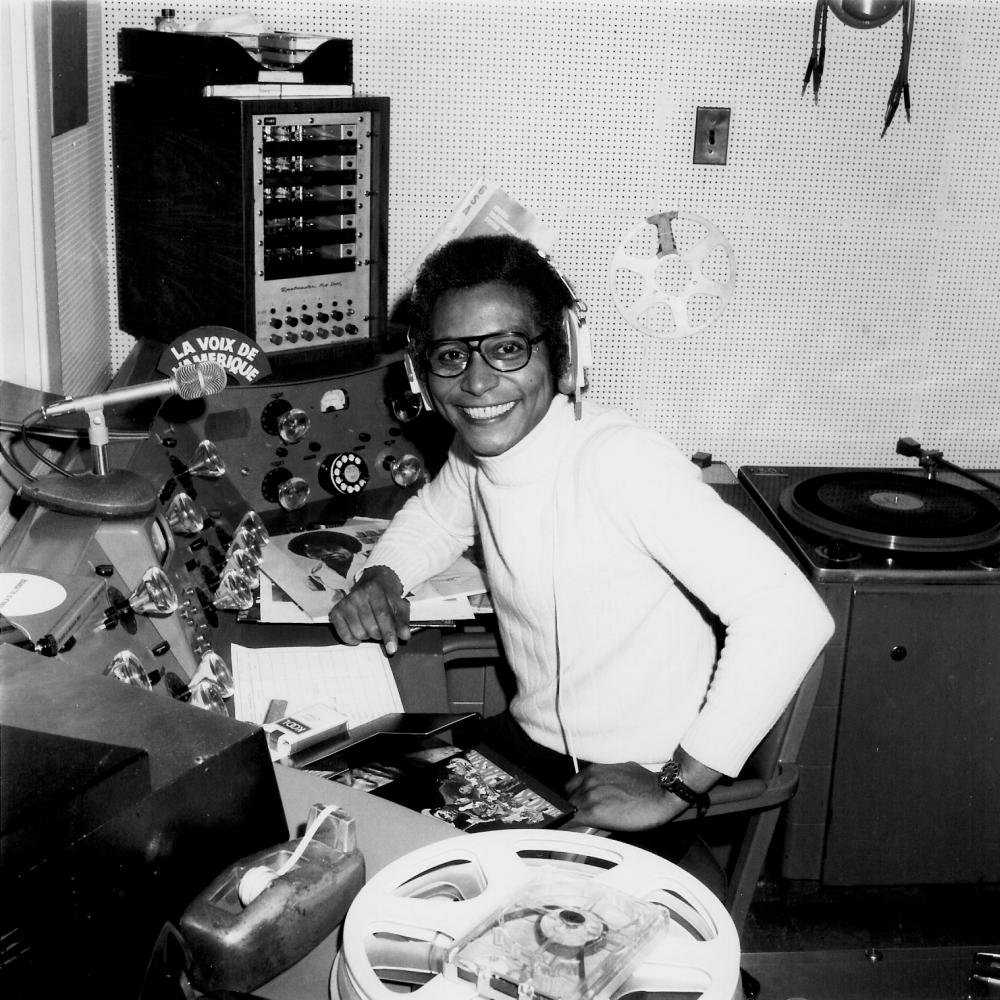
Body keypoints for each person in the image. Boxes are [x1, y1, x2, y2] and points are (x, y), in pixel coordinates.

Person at [329, 233, 834, 886]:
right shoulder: (475, 451)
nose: (478, 381)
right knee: (361, 835)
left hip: (638, 780)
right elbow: (433, 518)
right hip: (534, 749)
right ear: (421, 373)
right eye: (450, 356)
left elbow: (791, 615)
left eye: (507, 348)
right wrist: (382, 576)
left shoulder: (621, 463)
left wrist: (677, 784)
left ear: (561, 351)